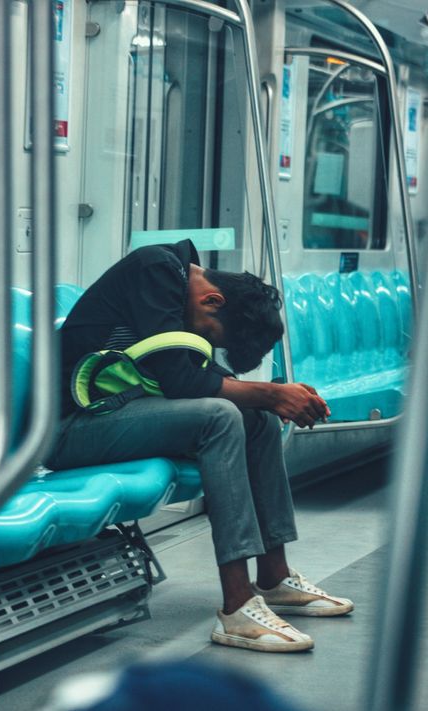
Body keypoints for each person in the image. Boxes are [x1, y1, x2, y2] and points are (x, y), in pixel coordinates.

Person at [46, 239, 353, 653]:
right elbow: (180, 380)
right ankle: (237, 607)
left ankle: (274, 577)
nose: (199, 336)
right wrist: (269, 392)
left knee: (258, 419)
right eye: (207, 332)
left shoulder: (177, 285)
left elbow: (199, 372)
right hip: (68, 428)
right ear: (212, 299)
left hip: (119, 416)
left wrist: (271, 397)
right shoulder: (154, 270)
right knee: (220, 416)